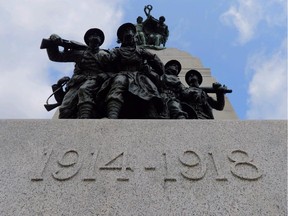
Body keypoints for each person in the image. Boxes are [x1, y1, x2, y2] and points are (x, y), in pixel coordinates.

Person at [99, 23, 165, 119]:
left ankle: (153, 117)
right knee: (118, 83)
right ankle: (112, 116)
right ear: (122, 38)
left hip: (139, 76)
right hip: (122, 74)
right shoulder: (117, 51)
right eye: (125, 33)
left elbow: (155, 59)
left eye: (130, 33)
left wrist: (159, 71)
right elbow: (108, 60)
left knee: (150, 89)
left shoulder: (140, 51)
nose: (129, 35)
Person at [45, 28, 110, 118]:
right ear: (87, 39)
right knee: (65, 109)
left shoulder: (106, 54)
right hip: (78, 82)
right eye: (92, 34)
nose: (95, 36)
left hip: (99, 82)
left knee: (85, 92)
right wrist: (52, 40)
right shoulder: (80, 53)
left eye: (98, 35)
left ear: (101, 40)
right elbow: (55, 56)